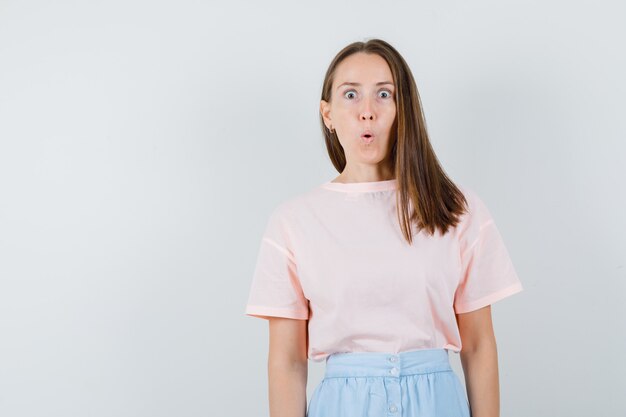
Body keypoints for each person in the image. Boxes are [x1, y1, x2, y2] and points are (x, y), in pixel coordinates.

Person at [244, 38, 524, 417]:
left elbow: (478, 346)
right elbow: (287, 361)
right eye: (350, 95)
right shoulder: (293, 222)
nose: (367, 112)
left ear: (402, 107)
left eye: (384, 94)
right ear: (327, 114)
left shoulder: (455, 208)